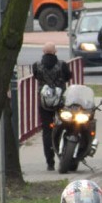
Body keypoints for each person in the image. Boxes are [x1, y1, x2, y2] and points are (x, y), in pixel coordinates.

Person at [32, 43, 72, 171]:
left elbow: (36, 77)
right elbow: (68, 77)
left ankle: (50, 162)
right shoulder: (62, 65)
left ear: (43, 52)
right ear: (55, 52)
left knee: (47, 131)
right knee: (66, 126)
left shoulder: (36, 65)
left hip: (45, 103)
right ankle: (65, 153)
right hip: (60, 102)